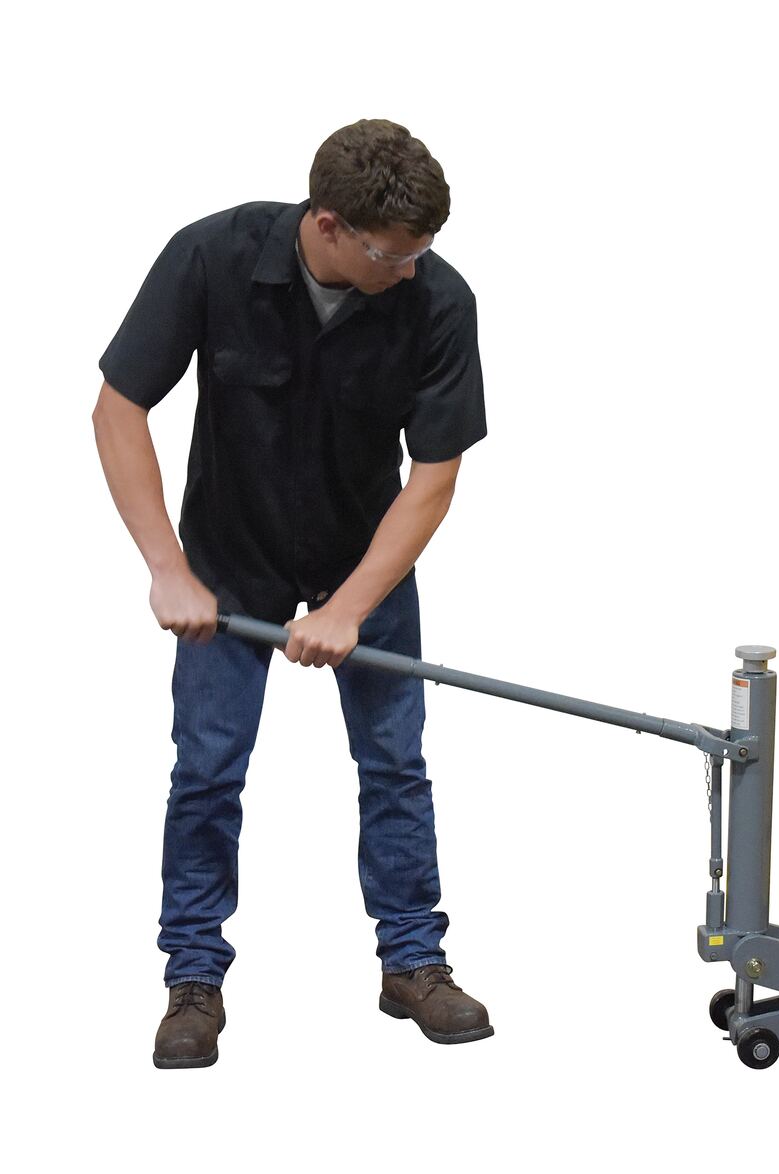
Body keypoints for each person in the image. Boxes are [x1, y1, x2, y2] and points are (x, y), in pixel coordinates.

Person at [93, 119, 492, 1068]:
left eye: (420, 252)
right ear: (327, 224)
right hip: (230, 567)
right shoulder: (211, 257)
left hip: (366, 562)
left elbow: (434, 475)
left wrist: (350, 605)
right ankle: (193, 979)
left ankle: (413, 962)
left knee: (394, 766)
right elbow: (118, 408)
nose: (409, 270)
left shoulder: (438, 298)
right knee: (207, 771)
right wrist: (167, 568)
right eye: (391, 254)